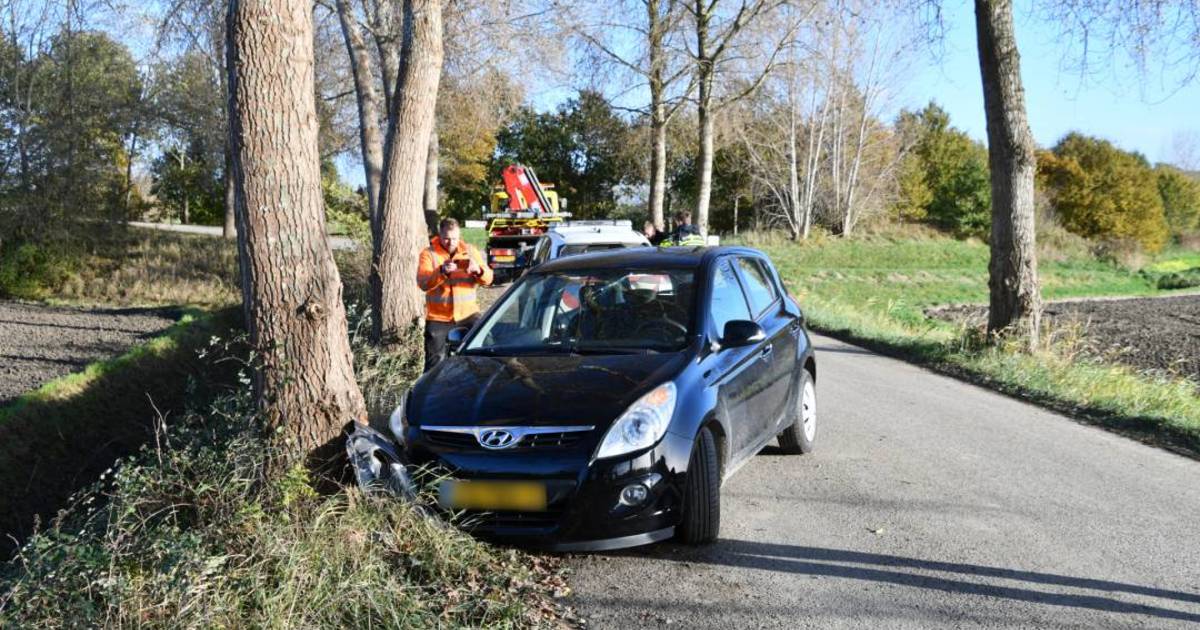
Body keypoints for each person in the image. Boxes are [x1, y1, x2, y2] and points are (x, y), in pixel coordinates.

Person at [416, 217, 493, 371]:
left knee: (488, 348)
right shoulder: (428, 254)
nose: (451, 242)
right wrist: (442, 272)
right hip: (439, 317)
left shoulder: (470, 251)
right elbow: (423, 283)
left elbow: (489, 279)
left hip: (468, 315)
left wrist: (478, 270)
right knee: (434, 363)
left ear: (459, 236)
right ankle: (434, 392)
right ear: (440, 235)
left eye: (455, 238)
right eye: (446, 238)